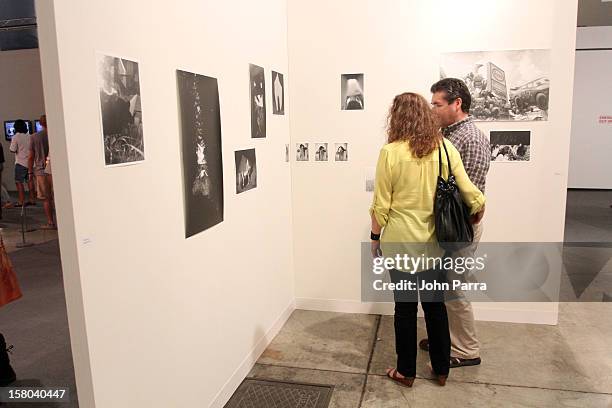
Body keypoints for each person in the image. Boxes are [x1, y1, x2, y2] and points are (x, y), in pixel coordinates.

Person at [370, 93, 485, 387]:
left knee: (405, 309)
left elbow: (381, 204)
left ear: (396, 118)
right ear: (425, 115)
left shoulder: (390, 152)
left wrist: (374, 237)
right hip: (435, 243)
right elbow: (472, 194)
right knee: (435, 306)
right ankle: (441, 369)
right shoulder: (445, 147)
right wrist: (475, 213)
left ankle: (406, 371)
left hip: (400, 243)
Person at [425, 78, 491, 368]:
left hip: (460, 227)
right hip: (447, 226)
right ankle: (445, 338)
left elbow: (471, 194)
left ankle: (466, 350)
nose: (432, 109)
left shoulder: (471, 138)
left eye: (437, 104)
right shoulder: (447, 135)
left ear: (457, 104)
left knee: (455, 286)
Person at [29, 115, 55, 229]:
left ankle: (50, 222)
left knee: (46, 198)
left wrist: (30, 172)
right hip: (54, 169)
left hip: (40, 170)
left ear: (40, 123)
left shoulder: (35, 137)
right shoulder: (54, 134)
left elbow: (31, 156)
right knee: (56, 197)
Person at [9, 120, 36, 207]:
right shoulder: (30, 136)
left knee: (19, 182)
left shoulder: (15, 137)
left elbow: (12, 149)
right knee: (30, 181)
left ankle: (21, 201)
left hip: (20, 163)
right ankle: (32, 199)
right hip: (31, 163)